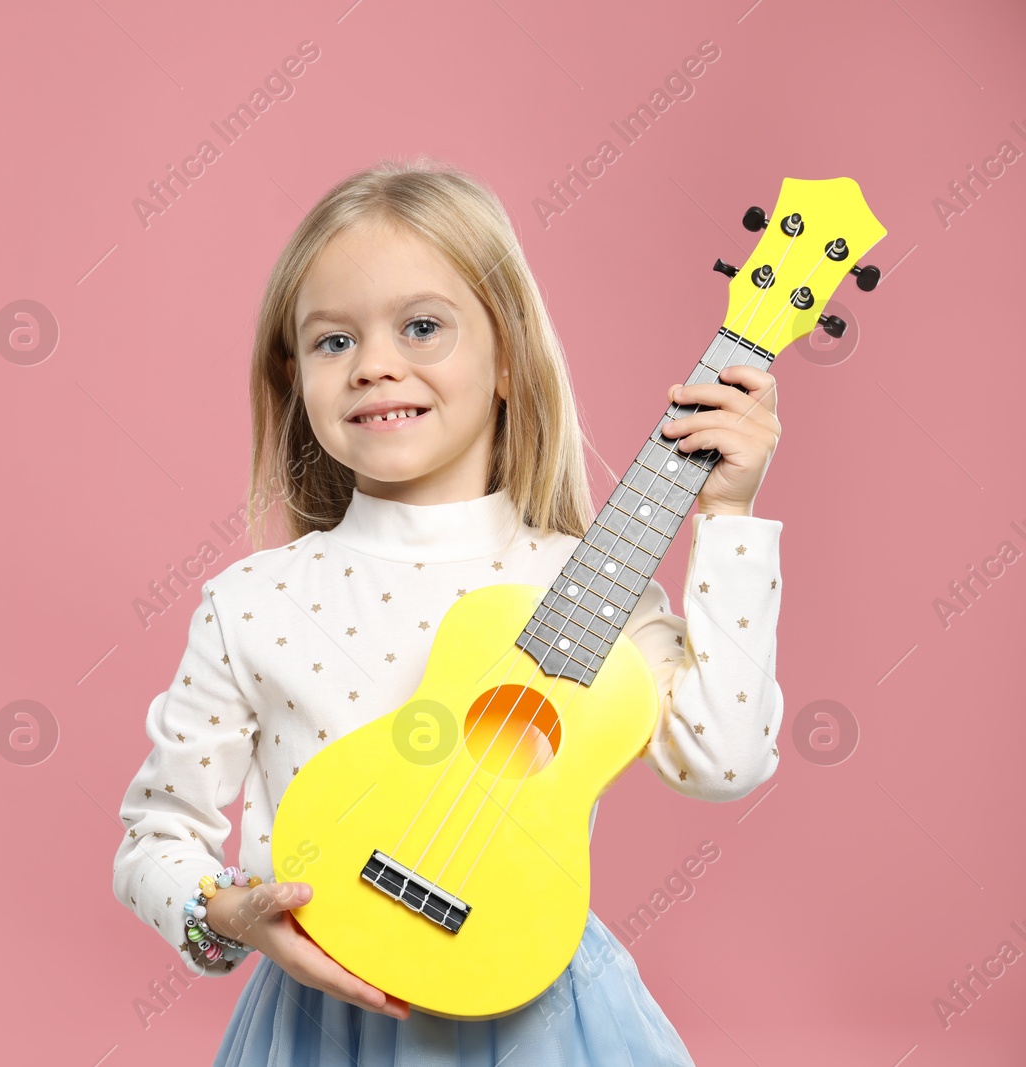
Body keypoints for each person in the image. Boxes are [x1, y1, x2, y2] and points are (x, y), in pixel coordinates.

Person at [112, 157, 784, 1065]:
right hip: (323, 1021)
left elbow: (726, 762)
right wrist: (234, 910)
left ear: (508, 359)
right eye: (333, 341)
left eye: (422, 327)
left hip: (540, 1016)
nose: (376, 365)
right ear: (295, 375)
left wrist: (727, 518)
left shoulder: (591, 588)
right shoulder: (253, 602)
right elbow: (157, 835)